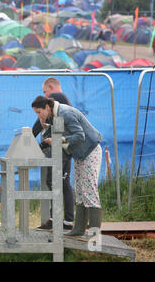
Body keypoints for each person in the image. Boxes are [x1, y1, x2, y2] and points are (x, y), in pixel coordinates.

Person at [31, 96, 103, 237]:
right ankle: (78, 230)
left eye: (39, 112)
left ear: (47, 107)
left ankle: (95, 234)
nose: (38, 116)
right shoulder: (55, 115)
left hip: (90, 152)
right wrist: (46, 127)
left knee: (90, 192)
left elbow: (80, 136)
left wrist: (58, 139)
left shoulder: (65, 113)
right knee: (81, 192)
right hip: (80, 154)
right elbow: (59, 136)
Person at [32, 78, 74, 231]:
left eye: (45, 92)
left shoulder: (58, 97)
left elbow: (41, 120)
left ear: (50, 87)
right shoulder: (62, 102)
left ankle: (58, 219)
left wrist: (30, 135)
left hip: (62, 147)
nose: (45, 96)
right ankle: (63, 220)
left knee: (54, 181)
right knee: (63, 182)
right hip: (64, 145)